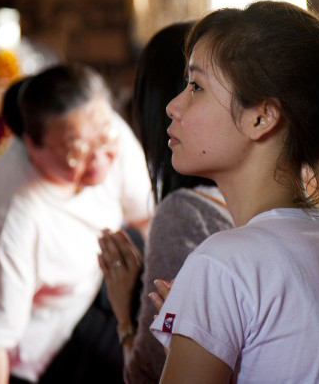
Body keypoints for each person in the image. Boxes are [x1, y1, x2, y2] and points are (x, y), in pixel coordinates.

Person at [147, 0, 319, 383]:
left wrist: (183, 348)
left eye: (196, 87)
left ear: (262, 117)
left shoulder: (221, 264)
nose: (174, 106)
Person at [0, 63, 153, 384]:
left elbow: (146, 218)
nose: (100, 160)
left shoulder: (100, 127)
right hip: (40, 341)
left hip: (91, 284)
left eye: (106, 139)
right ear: (31, 145)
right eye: (76, 152)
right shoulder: (11, 209)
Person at [97, 22, 234, 384]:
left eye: (197, 88)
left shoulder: (185, 213)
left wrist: (123, 312)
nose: (175, 107)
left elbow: (150, 374)